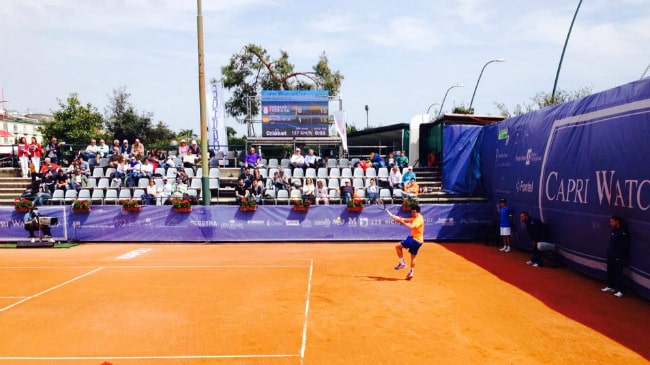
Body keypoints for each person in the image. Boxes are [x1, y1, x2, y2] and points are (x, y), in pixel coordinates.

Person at [392, 203, 424, 280]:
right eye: (411, 212)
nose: (412, 213)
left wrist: (401, 221)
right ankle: (411, 272)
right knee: (413, 258)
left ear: (417, 211)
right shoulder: (416, 217)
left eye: (413, 212)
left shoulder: (418, 219)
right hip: (419, 242)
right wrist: (398, 218)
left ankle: (402, 263)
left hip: (414, 240)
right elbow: (407, 219)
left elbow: (411, 227)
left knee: (398, 246)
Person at [601, 215, 630, 298]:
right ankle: (611, 286)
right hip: (611, 254)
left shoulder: (623, 231)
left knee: (618, 273)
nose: (610, 223)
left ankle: (621, 290)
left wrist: (620, 255)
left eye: (612, 221)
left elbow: (624, 245)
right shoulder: (614, 230)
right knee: (610, 270)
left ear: (617, 221)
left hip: (618, 255)